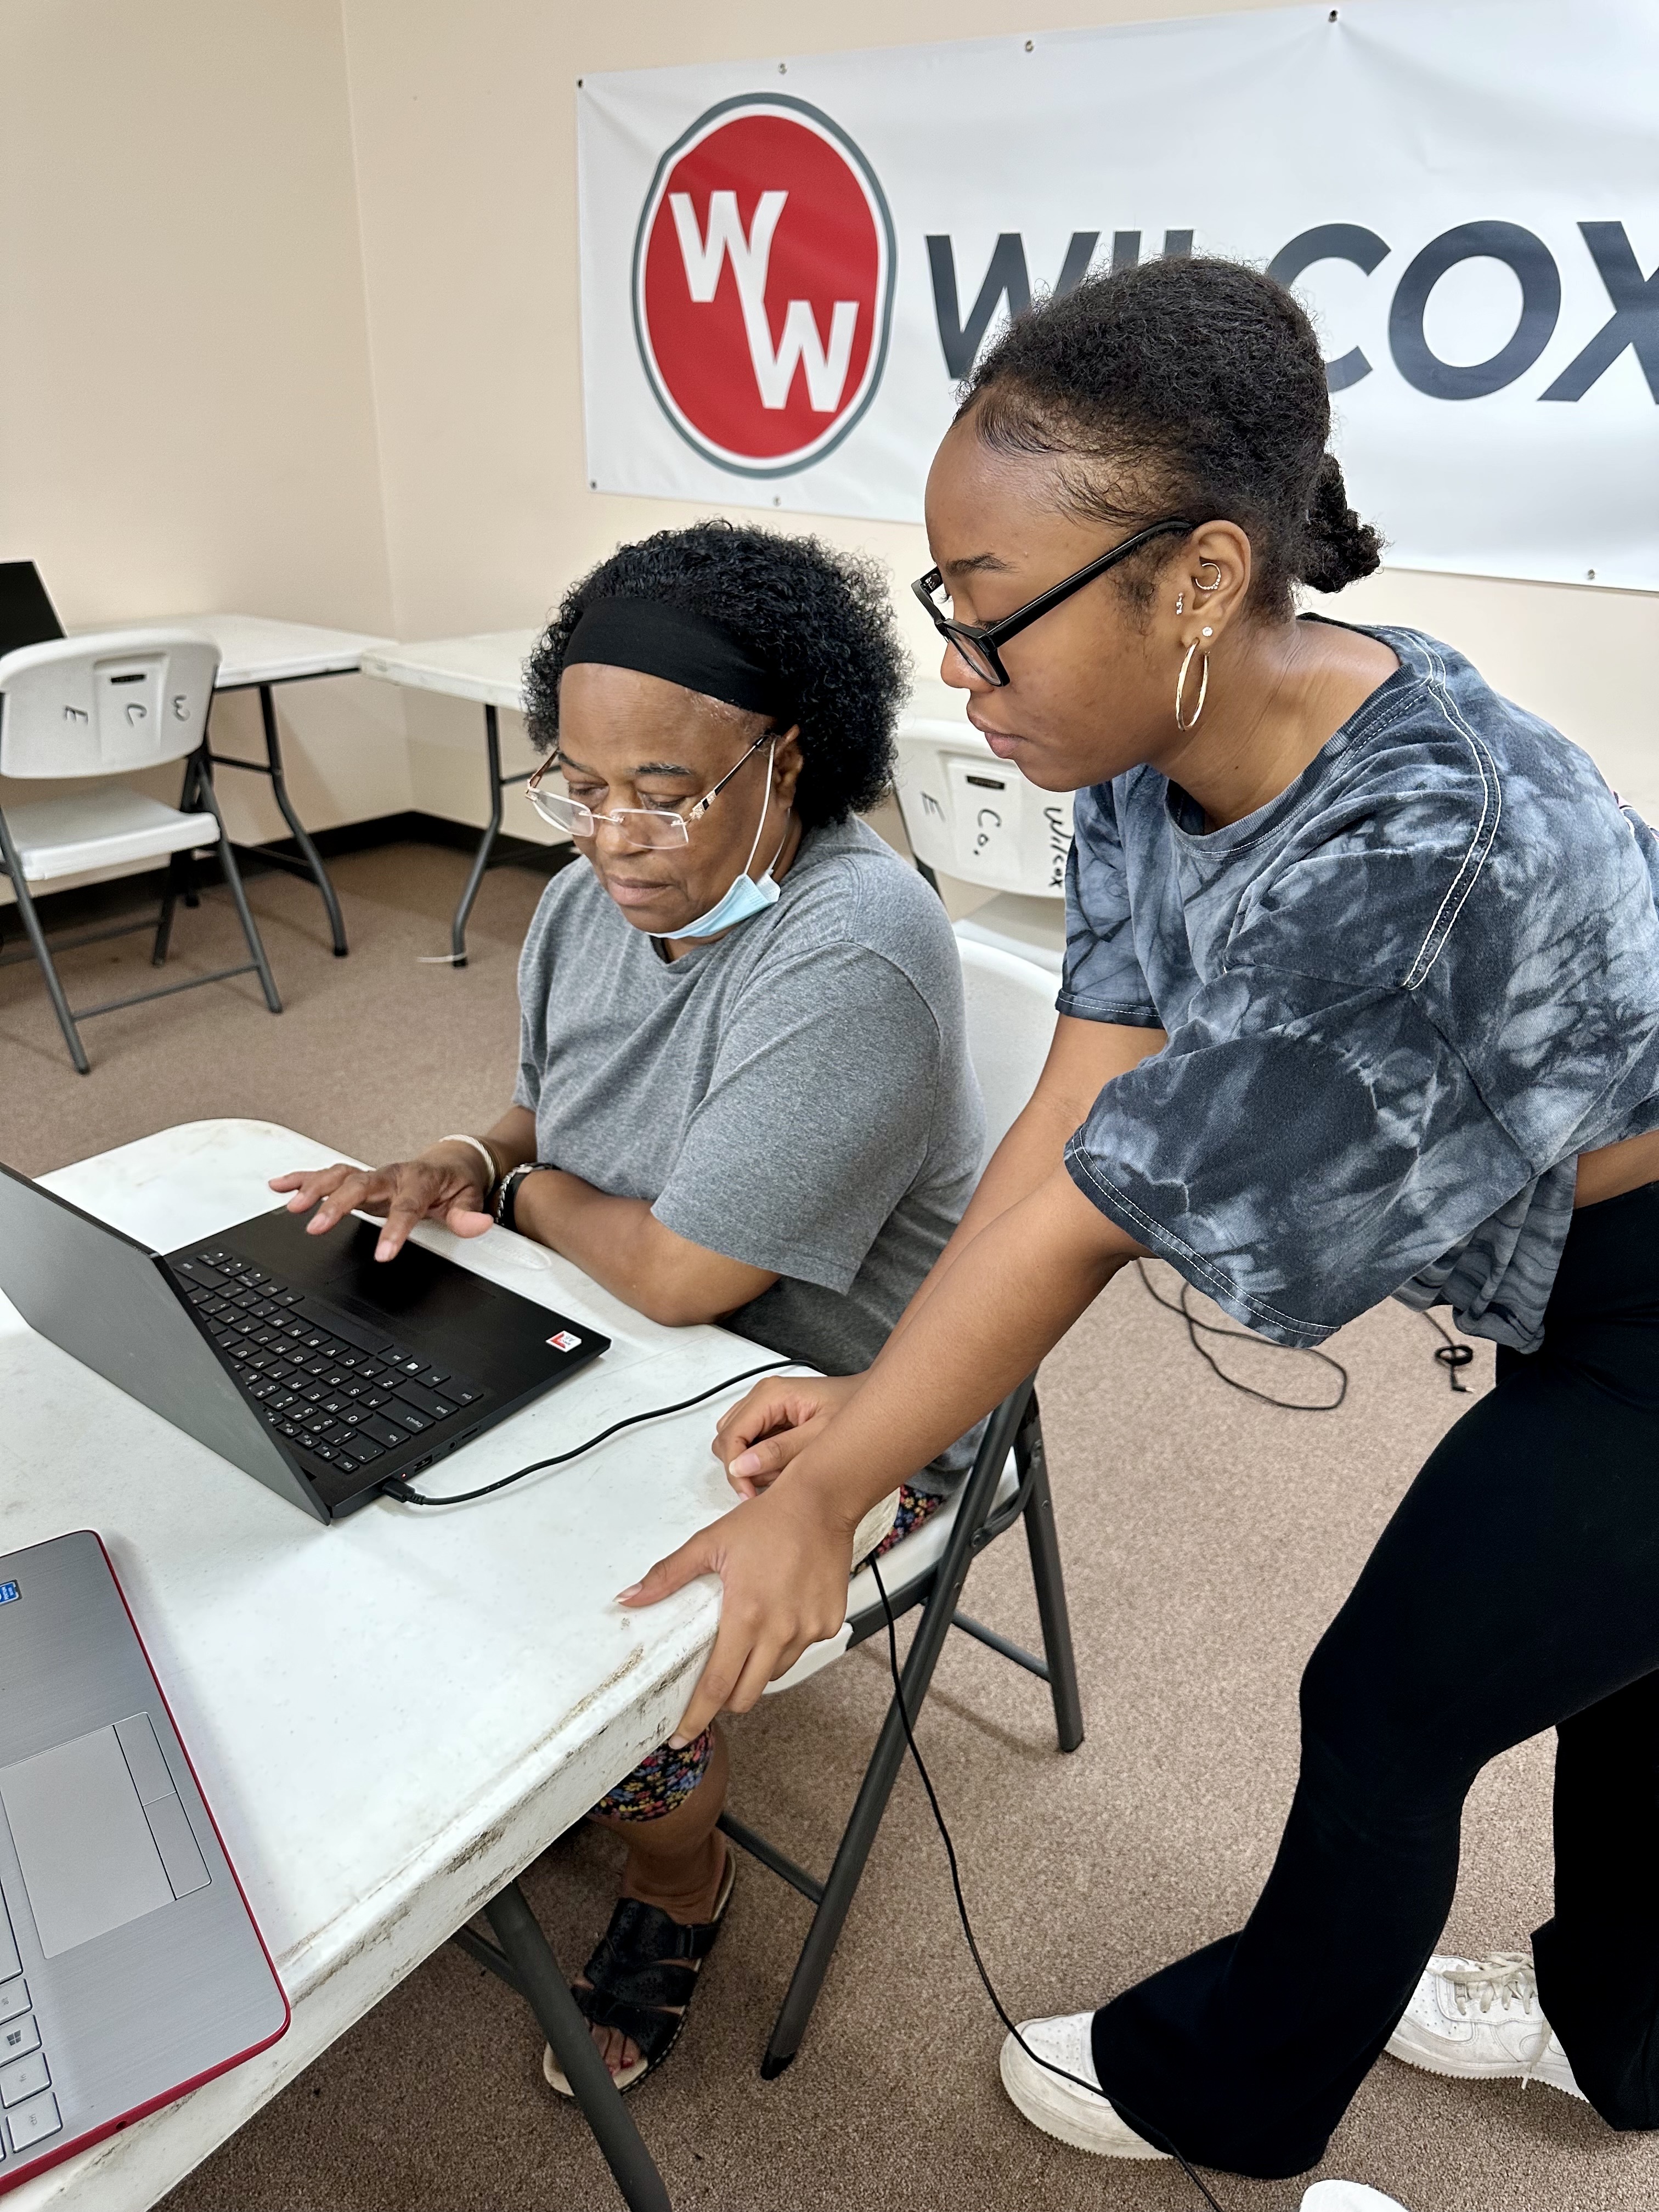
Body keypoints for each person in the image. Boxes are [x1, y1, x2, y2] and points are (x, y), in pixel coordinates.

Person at [619, 258, 1659, 2178]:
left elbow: (1103, 1216)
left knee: (1394, 1698)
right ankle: (1629, 2031)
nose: (957, 669)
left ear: (1195, 578)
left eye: (991, 619)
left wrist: (838, 1487)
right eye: (949, 608)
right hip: (1579, 1252)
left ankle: (1231, 2096)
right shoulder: (1146, 731)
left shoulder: (1413, 847)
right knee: (1619, 1650)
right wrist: (872, 1415)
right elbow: (1090, 1088)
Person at [270, 521, 984, 2093]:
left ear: (787, 762)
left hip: (844, 1397)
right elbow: (552, 1122)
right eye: (579, 788)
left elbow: (685, 1273)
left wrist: (509, 1203)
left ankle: (679, 1881)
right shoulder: (599, 897)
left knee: (593, 1593)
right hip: (632, 1330)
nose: (614, 838)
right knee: (367, 1419)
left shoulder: (854, 947)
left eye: (665, 792)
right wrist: (458, 1158)